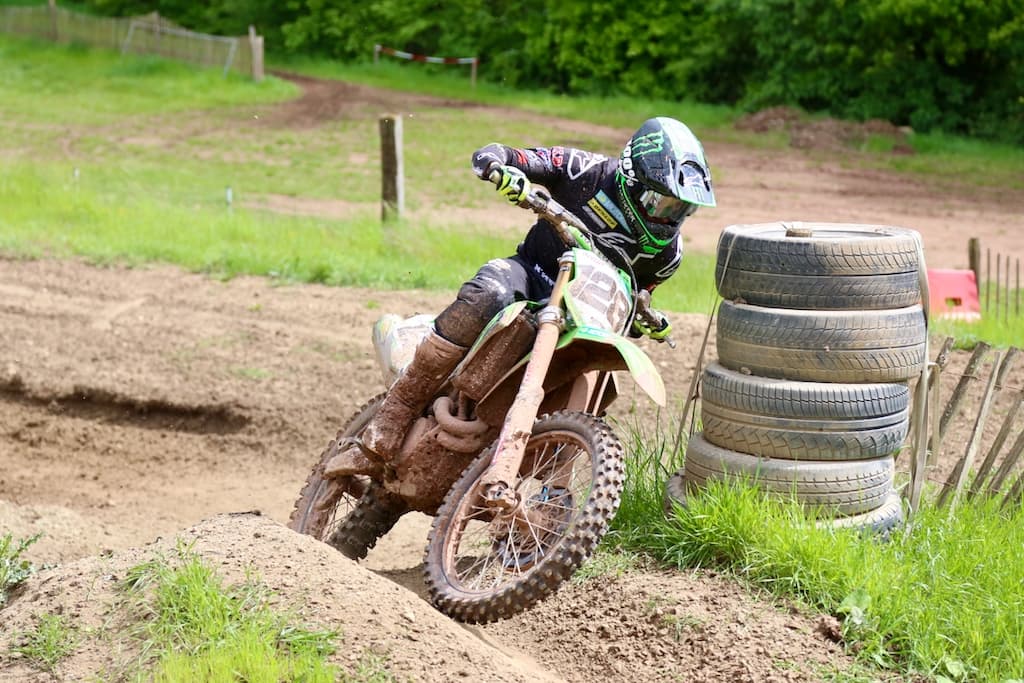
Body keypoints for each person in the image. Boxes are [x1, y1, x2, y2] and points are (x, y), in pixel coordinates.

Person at [360, 116, 716, 462]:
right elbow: (499, 154)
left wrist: (643, 319)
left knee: (600, 378)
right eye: (663, 202)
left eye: (682, 208)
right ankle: (398, 407)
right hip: (532, 275)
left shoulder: (668, 256)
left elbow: (636, 299)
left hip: (584, 318)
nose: (669, 217)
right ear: (632, 179)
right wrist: (503, 170)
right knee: (489, 292)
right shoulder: (583, 170)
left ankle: (557, 485)